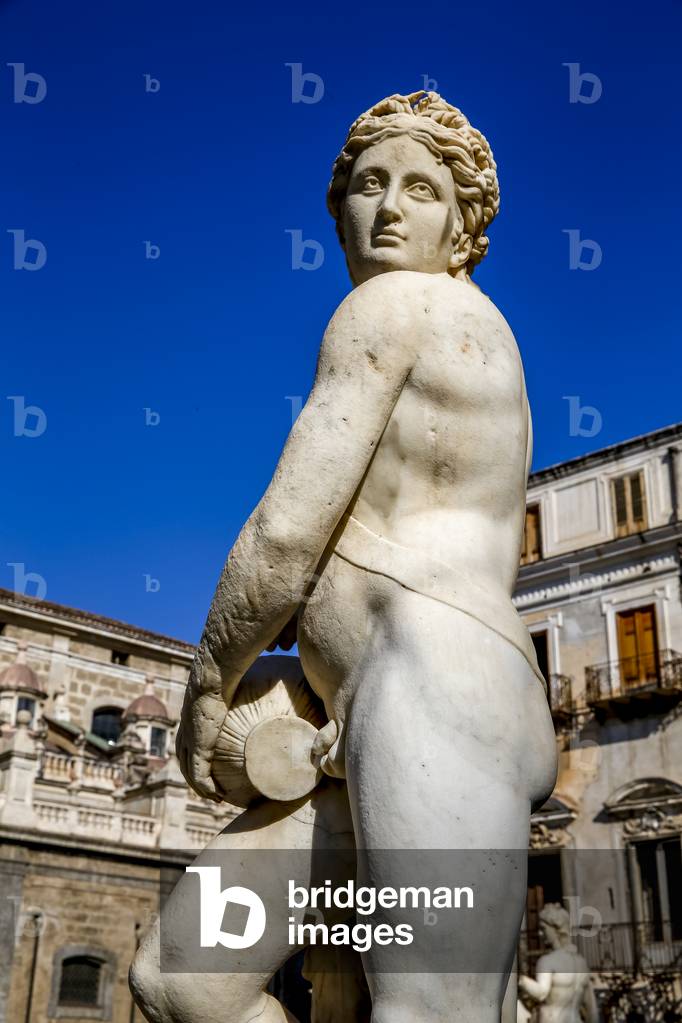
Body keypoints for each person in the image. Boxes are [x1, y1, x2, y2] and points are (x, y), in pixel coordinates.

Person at [131, 90, 557, 1023]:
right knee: (181, 980)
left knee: (428, 1012)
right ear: (341, 212)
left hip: (433, 690)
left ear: (464, 226)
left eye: (422, 188)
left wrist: (210, 684)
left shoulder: (396, 307)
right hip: (357, 725)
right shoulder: (471, 339)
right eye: (370, 184)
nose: (392, 207)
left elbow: (287, 532)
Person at [518, 904, 599, 1023]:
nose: (540, 934)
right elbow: (591, 1007)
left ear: (555, 929)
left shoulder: (548, 961)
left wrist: (521, 980)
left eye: (543, 928)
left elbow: (541, 993)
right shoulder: (581, 962)